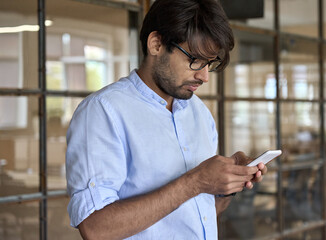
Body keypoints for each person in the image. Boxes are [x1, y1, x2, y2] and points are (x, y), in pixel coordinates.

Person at [66, 0, 267, 239]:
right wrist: (196, 181)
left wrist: (227, 184)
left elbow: (200, 217)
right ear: (156, 44)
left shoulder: (199, 113)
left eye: (209, 64)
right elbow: (95, 229)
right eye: (195, 60)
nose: (204, 76)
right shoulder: (103, 112)